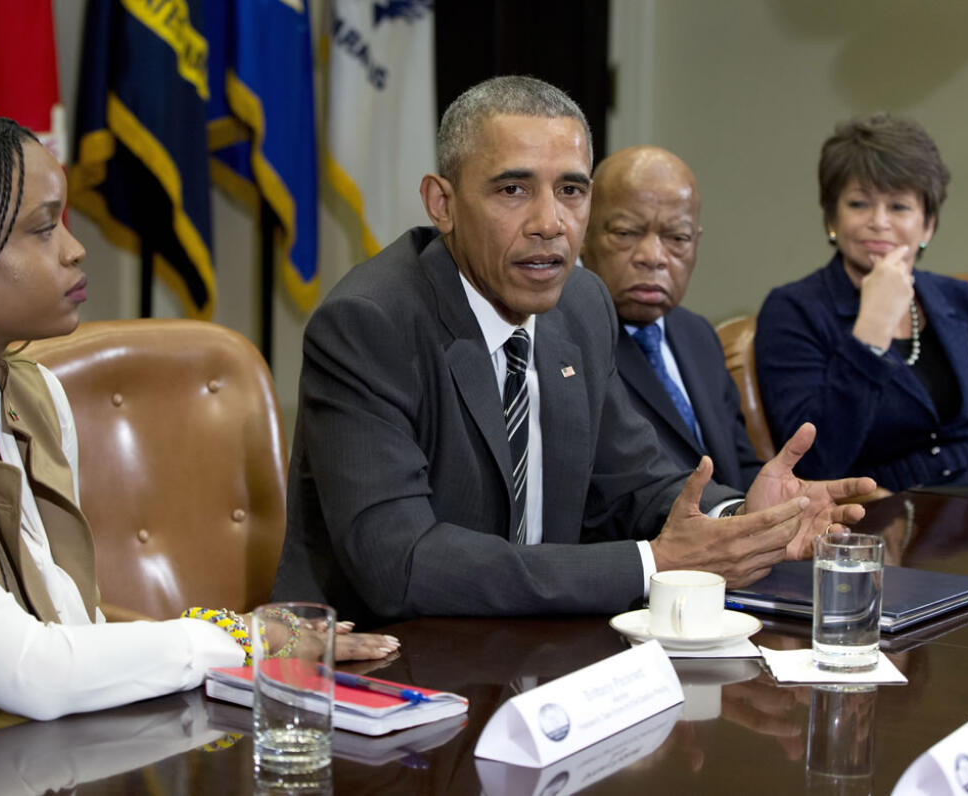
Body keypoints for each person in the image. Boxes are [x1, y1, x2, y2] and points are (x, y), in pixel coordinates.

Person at [0, 110, 397, 771]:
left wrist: (249, 641)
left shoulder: (33, 396)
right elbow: (32, 670)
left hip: (44, 762)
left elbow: (74, 626)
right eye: (43, 228)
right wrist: (247, 640)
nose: (75, 248)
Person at [272, 76, 874, 628]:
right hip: (384, 673)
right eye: (513, 189)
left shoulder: (581, 304)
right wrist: (650, 564)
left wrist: (743, 518)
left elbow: (630, 481)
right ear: (442, 203)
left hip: (538, 654)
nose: (549, 223)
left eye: (571, 191)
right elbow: (402, 563)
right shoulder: (369, 324)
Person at [755, 113, 968, 491]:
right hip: (872, 518)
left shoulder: (966, 301)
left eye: (899, 207)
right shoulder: (793, 310)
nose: (879, 222)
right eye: (859, 204)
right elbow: (814, 461)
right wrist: (871, 331)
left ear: (928, 224)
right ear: (831, 218)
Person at [582, 146, 761, 490]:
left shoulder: (697, 334)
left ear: (696, 242)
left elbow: (740, 466)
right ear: (584, 235)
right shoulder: (566, 341)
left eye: (677, 238)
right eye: (626, 233)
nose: (653, 257)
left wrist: (792, 505)